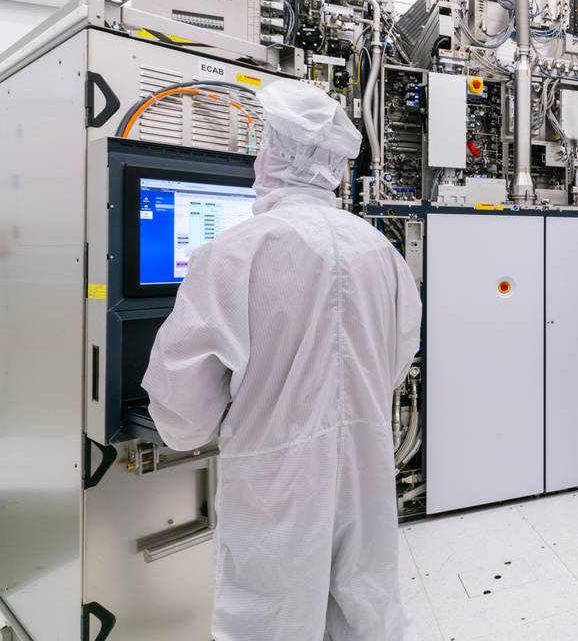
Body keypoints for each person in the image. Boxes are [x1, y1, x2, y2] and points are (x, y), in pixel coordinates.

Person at [142, 79, 421, 641]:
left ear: (267, 158)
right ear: (339, 171)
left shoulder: (232, 254)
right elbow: (395, 363)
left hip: (275, 481)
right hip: (367, 466)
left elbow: (182, 413)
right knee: (368, 608)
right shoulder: (383, 254)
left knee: (268, 619)